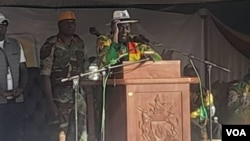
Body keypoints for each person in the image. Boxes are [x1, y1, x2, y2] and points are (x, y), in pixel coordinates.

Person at [40, 11, 88, 141]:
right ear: (59, 25)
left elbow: (85, 68)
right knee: (60, 133)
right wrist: (50, 103)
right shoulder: (51, 44)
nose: (70, 26)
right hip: (59, 97)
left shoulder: (79, 43)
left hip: (78, 95)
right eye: (67, 23)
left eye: (73, 23)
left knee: (80, 132)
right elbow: (45, 75)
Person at [95, 9, 162, 68]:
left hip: (133, 79)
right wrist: (115, 34)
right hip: (111, 80)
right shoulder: (104, 40)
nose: (124, 31)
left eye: (127, 28)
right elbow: (110, 60)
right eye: (120, 28)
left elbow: (158, 60)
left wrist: (150, 56)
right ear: (113, 28)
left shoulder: (136, 42)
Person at [0, 12, 28, 141]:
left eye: (4, 24)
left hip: (16, 99)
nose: (1, 27)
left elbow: (23, 69)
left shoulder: (16, 44)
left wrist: (21, 88)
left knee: (15, 133)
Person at [183, 64, 222, 141]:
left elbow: (211, 112)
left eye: (195, 75)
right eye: (191, 75)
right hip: (189, 120)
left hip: (203, 119)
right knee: (196, 129)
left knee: (217, 127)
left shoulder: (203, 91)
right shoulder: (183, 91)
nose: (194, 78)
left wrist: (209, 103)